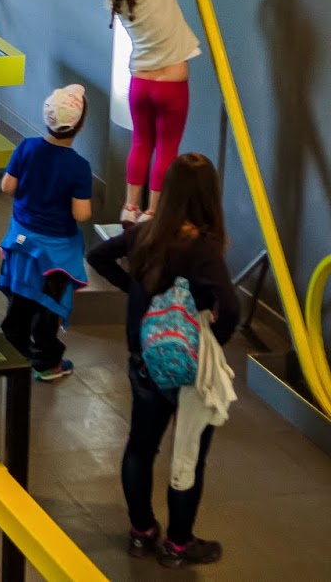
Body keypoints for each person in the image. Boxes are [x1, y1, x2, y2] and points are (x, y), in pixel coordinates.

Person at [88, 152, 236, 569]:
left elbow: (99, 256)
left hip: (145, 361)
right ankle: (178, 544)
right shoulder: (204, 249)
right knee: (188, 453)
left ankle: (141, 532)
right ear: (210, 197)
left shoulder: (146, 233)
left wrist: (131, 285)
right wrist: (211, 344)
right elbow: (232, 308)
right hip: (190, 373)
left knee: (140, 447)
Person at [101, 0, 200, 222]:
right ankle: (153, 211)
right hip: (172, 85)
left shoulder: (117, 5)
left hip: (141, 85)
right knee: (167, 147)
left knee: (141, 143)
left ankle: (130, 207)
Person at [0, 84, 94, 382]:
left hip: (21, 243)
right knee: (47, 307)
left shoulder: (26, 147)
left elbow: (7, 187)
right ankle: (46, 362)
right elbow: (81, 214)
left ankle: (13, 353)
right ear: (80, 125)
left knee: (19, 300)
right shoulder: (78, 166)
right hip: (54, 255)